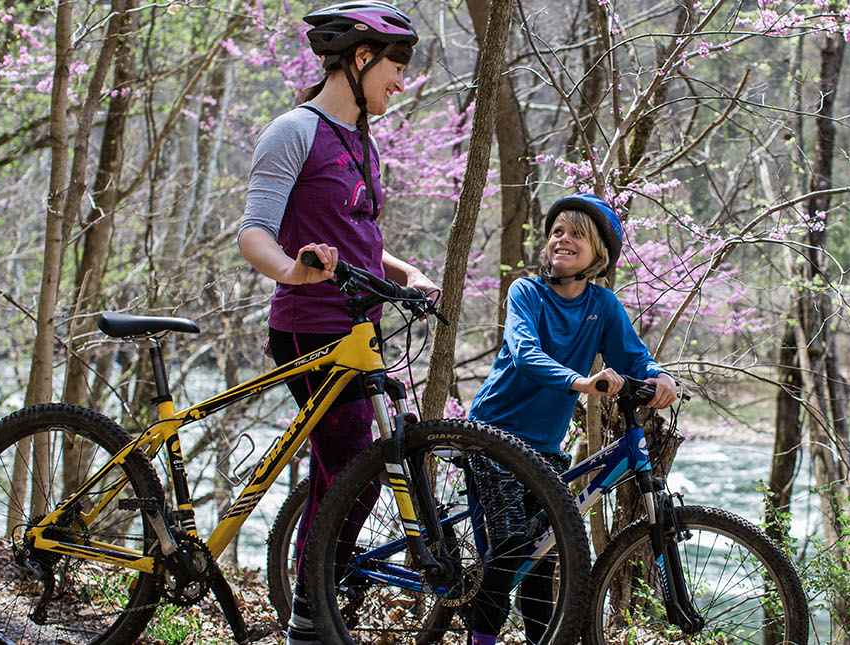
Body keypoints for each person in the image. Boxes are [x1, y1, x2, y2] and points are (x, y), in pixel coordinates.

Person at [236, 3, 436, 644]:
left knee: (359, 465)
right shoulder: (293, 130)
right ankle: (310, 613)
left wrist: (405, 272)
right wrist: (293, 271)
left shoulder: (362, 141)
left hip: (359, 326)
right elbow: (255, 235)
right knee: (352, 460)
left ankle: (320, 589)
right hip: (307, 325)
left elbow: (356, 240)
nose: (400, 84)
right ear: (358, 58)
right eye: (395, 68)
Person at [465, 193, 679, 645]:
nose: (562, 239)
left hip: (543, 448)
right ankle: (480, 637)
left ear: (597, 253)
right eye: (557, 231)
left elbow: (634, 356)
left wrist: (660, 378)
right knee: (508, 547)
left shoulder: (602, 306)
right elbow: (525, 355)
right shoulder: (526, 292)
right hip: (493, 436)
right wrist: (582, 383)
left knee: (544, 555)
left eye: (576, 233)